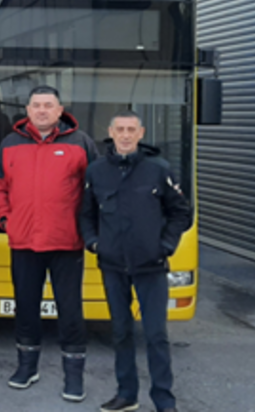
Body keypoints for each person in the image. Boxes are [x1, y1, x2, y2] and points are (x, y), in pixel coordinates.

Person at [0, 85, 98, 402]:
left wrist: (85, 227)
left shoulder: (80, 144)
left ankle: (74, 377)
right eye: (36, 105)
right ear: (27, 110)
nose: (41, 111)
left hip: (67, 243)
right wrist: (6, 221)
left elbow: (95, 189)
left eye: (48, 105)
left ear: (59, 110)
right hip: (23, 242)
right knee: (25, 307)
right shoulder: (9, 145)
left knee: (70, 311)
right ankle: (27, 368)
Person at [80, 110, 192, 412]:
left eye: (132, 130)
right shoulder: (96, 171)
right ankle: (127, 394)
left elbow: (181, 212)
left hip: (151, 266)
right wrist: (94, 243)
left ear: (141, 134)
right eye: (121, 129)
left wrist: (166, 246)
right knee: (120, 332)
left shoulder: (159, 169)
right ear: (111, 133)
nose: (126, 135)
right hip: (113, 266)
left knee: (156, 335)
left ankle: (164, 401)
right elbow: (86, 214)